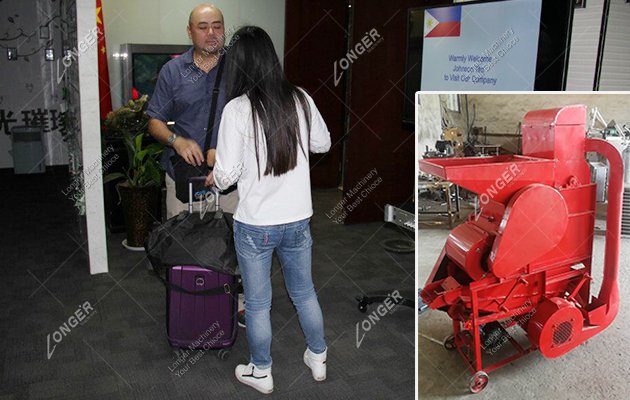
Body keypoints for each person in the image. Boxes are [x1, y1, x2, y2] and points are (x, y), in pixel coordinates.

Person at [207, 26, 331, 395]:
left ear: (239, 64)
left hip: (256, 225)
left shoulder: (238, 109)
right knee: (304, 292)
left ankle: (262, 371)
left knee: (259, 303)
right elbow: (321, 142)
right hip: (297, 219)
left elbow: (226, 177)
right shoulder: (300, 98)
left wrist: (216, 173)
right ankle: (318, 357)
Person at [146, 3, 238, 218]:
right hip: (184, 180)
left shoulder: (239, 67)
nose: (211, 33)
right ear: (190, 31)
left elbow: (256, 121)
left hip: (229, 180)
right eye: (203, 27)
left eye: (217, 26)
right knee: (183, 246)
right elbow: (155, 121)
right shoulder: (173, 71)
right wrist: (176, 141)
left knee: (229, 246)